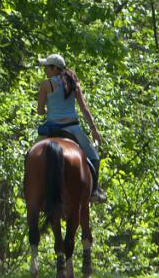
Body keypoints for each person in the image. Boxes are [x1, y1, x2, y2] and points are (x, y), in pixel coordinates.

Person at [36, 53, 107, 202]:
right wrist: (94, 130)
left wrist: (49, 111)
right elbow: (84, 108)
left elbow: (40, 111)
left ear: (55, 68)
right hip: (73, 128)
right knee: (94, 156)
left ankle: (30, 189)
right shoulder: (73, 83)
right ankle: (94, 191)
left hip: (51, 128)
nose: (45, 71)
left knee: (32, 154)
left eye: (47, 68)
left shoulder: (46, 84)